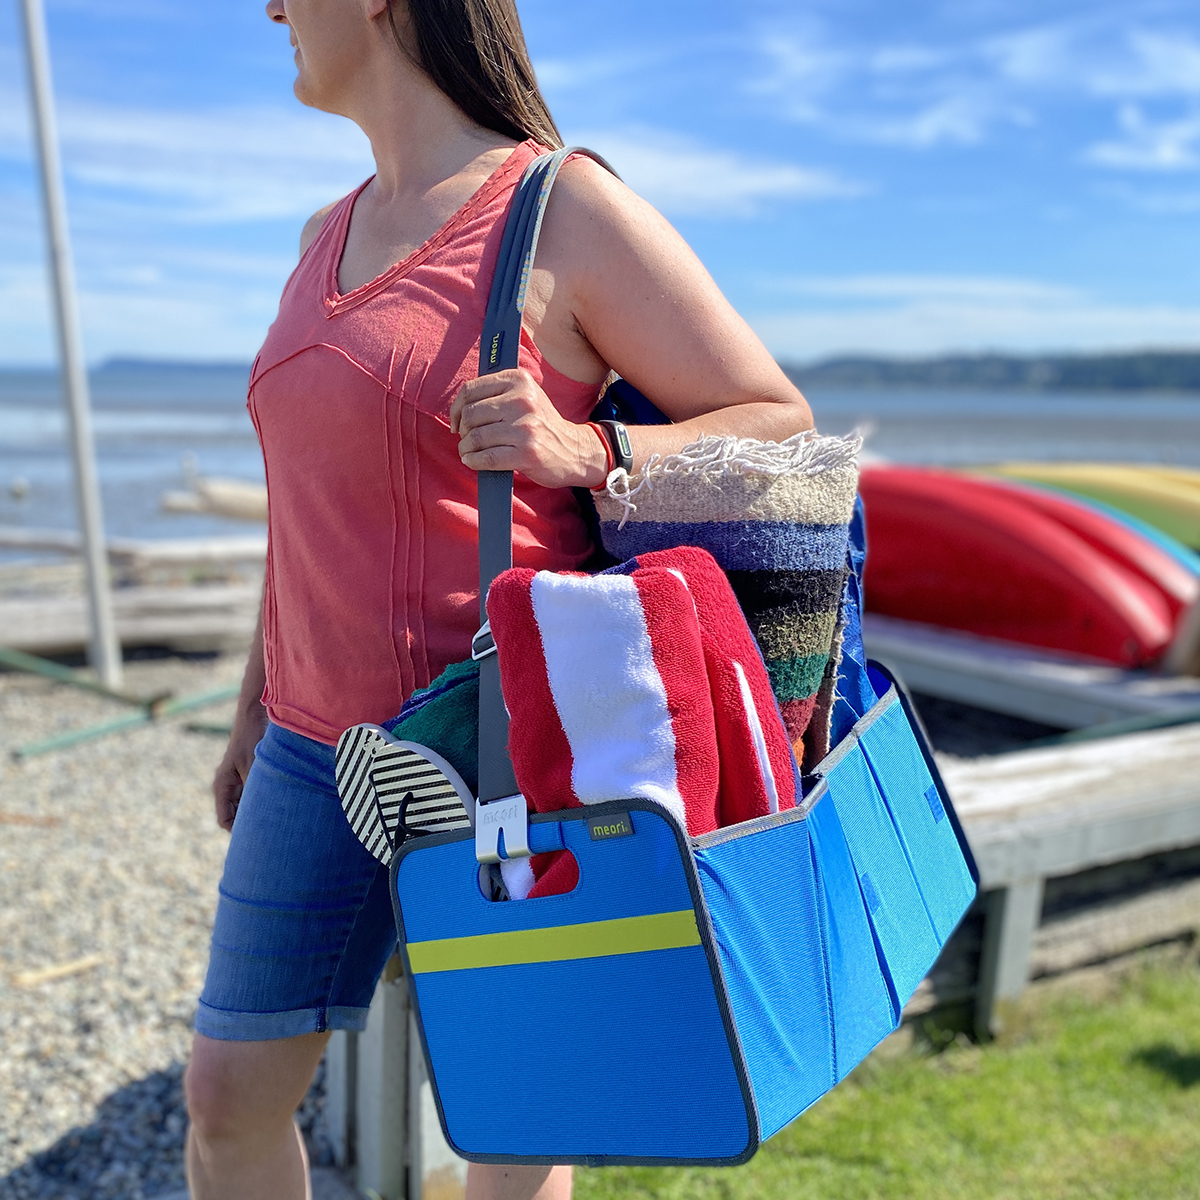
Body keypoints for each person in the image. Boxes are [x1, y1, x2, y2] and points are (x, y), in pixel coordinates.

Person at [183, 1, 814, 1198]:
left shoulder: (562, 206)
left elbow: (776, 418)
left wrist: (592, 455)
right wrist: (251, 705)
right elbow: (307, 507)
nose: (266, 7)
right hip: (312, 750)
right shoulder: (322, 232)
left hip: (501, 749)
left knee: (518, 1116)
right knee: (228, 1097)